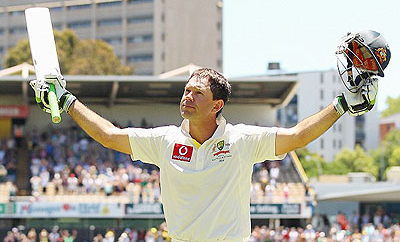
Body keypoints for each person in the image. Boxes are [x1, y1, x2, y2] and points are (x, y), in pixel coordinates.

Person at [31, 35, 385, 241]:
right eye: (186, 90)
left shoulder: (241, 140)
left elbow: (294, 136)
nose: (187, 97)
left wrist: (340, 105)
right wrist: (67, 100)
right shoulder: (165, 140)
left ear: (217, 104)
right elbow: (108, 135)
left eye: (196, 92)